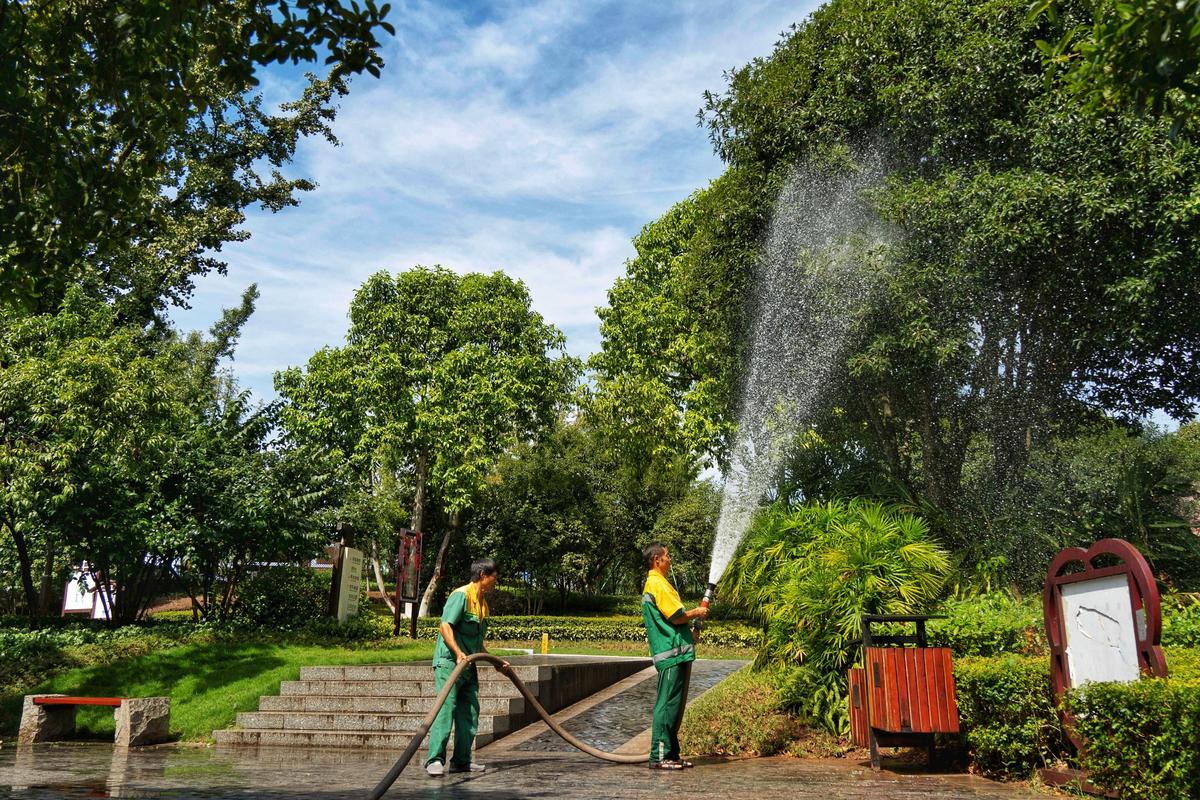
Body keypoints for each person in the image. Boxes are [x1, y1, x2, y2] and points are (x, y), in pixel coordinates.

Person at [425, 557, 508, 777]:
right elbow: (445, 627)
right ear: (483, 575)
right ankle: (434, 760)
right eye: (494, 578)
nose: (495, 583)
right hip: (450, 663)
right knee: (446, 708)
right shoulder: (461, 595)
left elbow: (477, 642)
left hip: (467, 665)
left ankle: (461, 761)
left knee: (470, 711)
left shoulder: (483, 605)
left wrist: (496, 662)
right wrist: (458, 653)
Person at [640, 542, 708, 769]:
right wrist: (696, 612)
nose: (670, 560)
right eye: (667, 556)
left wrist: (691, 633)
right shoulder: (656, 583)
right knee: (666, 705)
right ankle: (658, 757)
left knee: (675, 708)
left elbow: (675, 622)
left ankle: (670, 754)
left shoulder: (661, 584)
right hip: (671, 656)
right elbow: (676, 616)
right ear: (657, 560)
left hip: (679, 652)